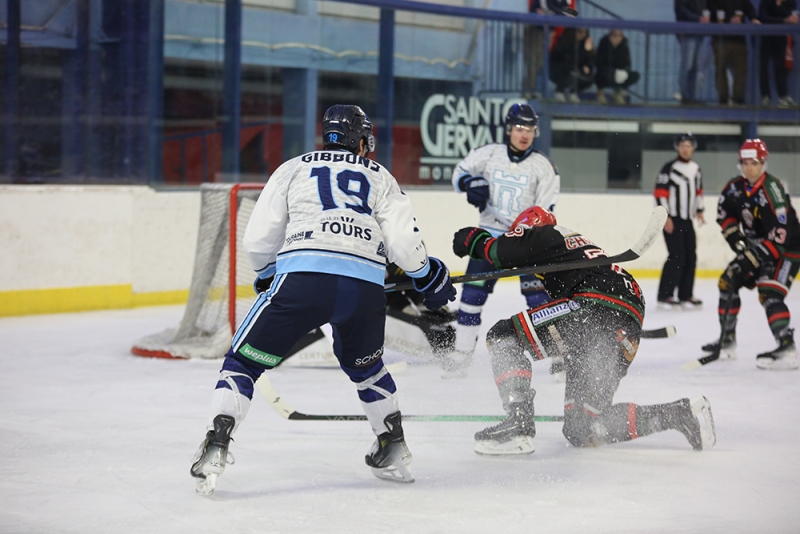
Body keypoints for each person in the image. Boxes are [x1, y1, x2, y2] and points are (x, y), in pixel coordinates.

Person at [189, 104, 457, 494]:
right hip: (363, 292)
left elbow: (257, 239)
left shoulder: (294, 167)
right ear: (361, 140)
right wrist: (427, 276)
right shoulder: (381, 176)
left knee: (242, 364)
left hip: (303, 282)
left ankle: (216, 445)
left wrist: (266, 275)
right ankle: (393, 445)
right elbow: (404, 246)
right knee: (369, 369)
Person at [451, 206, 717, 455]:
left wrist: (472, 239)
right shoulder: (580, 250)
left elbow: (499, 252)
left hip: (594, 307)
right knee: (582, 428)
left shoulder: (547, 234)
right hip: (626, 322)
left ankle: (517, 422)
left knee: (502, 335)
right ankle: (679, 414)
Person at [449, 103, 560, 377]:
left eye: (530, 129)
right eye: (520, 128)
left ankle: (559, 356)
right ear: (509, 129)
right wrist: (469, 183)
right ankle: (461, 353)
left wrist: (528, 227)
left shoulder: (543, 166)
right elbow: (459, 172)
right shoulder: (488, 154)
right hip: (489, 236)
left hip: (526, 240)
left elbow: (546, 212)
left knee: (540, 299)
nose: (525, 134)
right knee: (472, 294)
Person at [701, 139, 800, 370]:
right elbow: (725, 214)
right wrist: (736, 239)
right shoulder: (735, 187)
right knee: (728, 281)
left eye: (754, 163)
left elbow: (780, 236)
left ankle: (787, 347)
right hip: (758, 246)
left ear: (763, 163)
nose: (749, 168)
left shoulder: (772, 191)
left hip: (788, 250)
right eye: (744, 163)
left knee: (769, 292)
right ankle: (727, 342)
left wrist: (751, 258)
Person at [655, 133, 706, 308]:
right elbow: (660, 193)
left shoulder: (696, 168)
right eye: (682, 145)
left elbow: (699, 192)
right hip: (672, 220)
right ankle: (665, 295)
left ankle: (685, 295)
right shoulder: (669, 167)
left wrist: (700, 211)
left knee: (691, 257)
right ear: (677, 147)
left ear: (693, 148)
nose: (685, 149)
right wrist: (666, 216)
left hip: (687, 220)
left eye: (689, 145)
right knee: (676, 257)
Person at [707, 0, 760, 105]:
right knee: (720, 70)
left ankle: (739, 99)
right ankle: (723, 100)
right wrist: (729, 21)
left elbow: (749, 8)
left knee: (740, 71)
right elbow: (712, 14)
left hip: (738, 40)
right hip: (720, 40)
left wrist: (754, 18)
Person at [758, 0, 799, 108]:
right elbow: (763, 17)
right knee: (763, 67)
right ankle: (765, 96)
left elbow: (790, 18)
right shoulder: (766, 2)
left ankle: (783, 96)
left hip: (781, 38)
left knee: (780, 67)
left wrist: (779, 6)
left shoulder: (790, 2)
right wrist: (782, 19)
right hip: (766, 38)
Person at [675, 0, 712, 105]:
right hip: (687, 31)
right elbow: (680, 9)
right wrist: (698, 18)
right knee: (687, 65)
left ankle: (691, 96)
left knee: (695, 66)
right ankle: (686, 97)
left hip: (699, 31)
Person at [595, 29, 641, 105]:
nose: (616, 38)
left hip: (620, 72)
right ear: (609, 36)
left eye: (619, 36)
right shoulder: (603, 45)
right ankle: (600, 93)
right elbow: (599, 62)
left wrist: (623, 71)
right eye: (614, 36)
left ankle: (618, 93)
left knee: (635, 75)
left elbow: (627, 63)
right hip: (605, 72)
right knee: (602, 74)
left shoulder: (624, 46)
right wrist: (613, 71)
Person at [549, 27, 595, 102]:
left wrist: (588, 51)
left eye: (585, 33)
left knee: (590, 78)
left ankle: (573, 92)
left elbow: (590, 62)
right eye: (580, 32)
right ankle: (559, 91)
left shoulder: (585, 44)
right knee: (572, 75)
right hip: (560, 69)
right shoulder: (564, 41)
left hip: (576, 70)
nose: (582, 35)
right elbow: (563, 58)